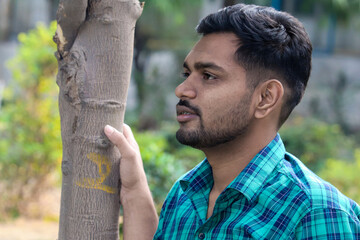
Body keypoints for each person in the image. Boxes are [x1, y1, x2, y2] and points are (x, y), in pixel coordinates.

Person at [104, 3, 360, 239]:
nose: (182, 89)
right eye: (187, 73)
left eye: (209, 76)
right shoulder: (184, 196)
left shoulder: (317, 212)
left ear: (265, 98)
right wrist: (135, 190)